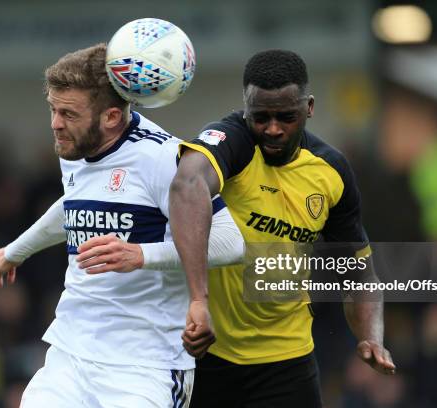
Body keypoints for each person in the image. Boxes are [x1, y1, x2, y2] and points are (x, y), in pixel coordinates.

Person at [0, 43, 243, 408]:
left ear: (111, 117)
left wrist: (140, 254)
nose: (55, 124)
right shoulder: (76, 149)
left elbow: (230, 243)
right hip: (70, 353)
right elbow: (75, 205)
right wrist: (14, 252)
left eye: (68, 113)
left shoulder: (164, 159)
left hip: (144, 365)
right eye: (52, 109)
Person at [168, 49, 396, 407]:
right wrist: (199, 299)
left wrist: (370, 336)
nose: (272, 129)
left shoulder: (330, 172)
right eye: (260, 117)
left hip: (288, 362)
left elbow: (358, 272)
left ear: (309, 107)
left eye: (286, 117)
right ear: (246, 108)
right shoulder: (234, 143)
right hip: (208, 354)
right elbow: (186, 186)